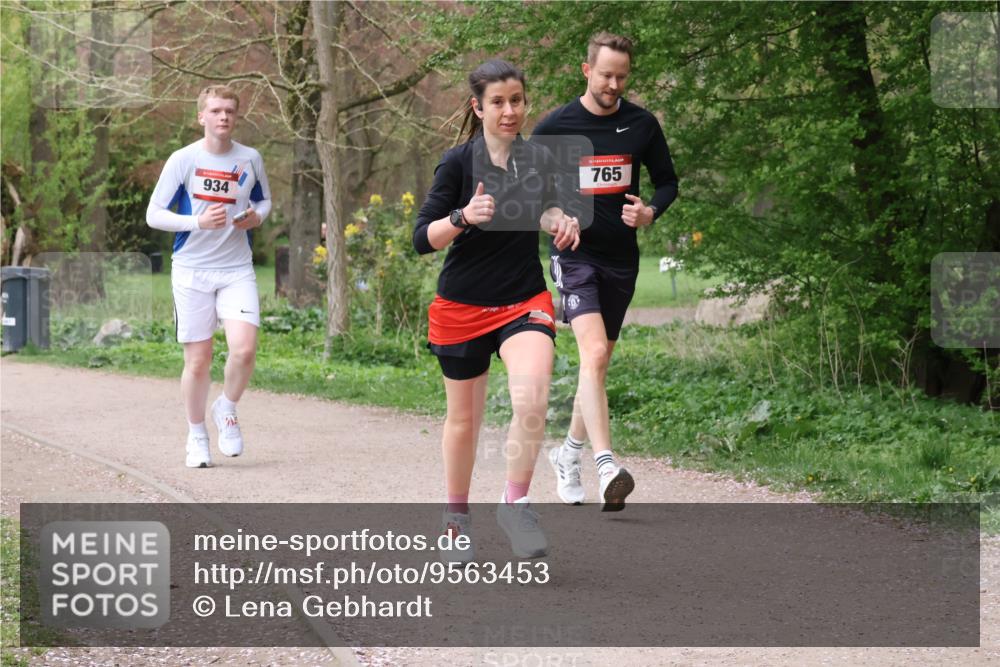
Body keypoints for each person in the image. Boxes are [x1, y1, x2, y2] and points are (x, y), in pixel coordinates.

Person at [413, 60, 580, 563]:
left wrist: (560, 220)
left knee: (532, 398)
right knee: (463, 420)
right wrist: (463, 217)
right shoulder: (458, 163)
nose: (510, 111)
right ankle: (456, 519)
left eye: (517, 100)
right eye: (499, 102)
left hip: (522, 298)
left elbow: (546, 208)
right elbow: (423, 238)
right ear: (478, 107)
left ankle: (515, 503)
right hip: (463, 303)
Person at [532, 32, 679, 511]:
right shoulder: (556, 127)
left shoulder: (641, 124)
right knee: (593, 352)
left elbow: (668, 183)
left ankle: (565, 455)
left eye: (622, 76)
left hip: (622, 259)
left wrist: (651, 212)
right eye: (605, 75)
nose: (614, 84)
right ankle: (605, 465)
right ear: (586, 70)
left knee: (596, 364)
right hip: (574, 256)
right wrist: (555, 217)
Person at [146, 85, 271, 468]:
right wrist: (196, 221)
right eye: (216, 111)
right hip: (192, 271)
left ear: (236, 116)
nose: (223, 117)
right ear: (201, 116)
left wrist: (257, 217)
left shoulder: (250, 159)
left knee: (244, 349)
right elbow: (154, 214)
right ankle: (196, 434)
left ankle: (227, 408)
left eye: (230, 111)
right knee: (198, 361)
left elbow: (263, 200)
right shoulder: (183, 160)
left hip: (235, 269)